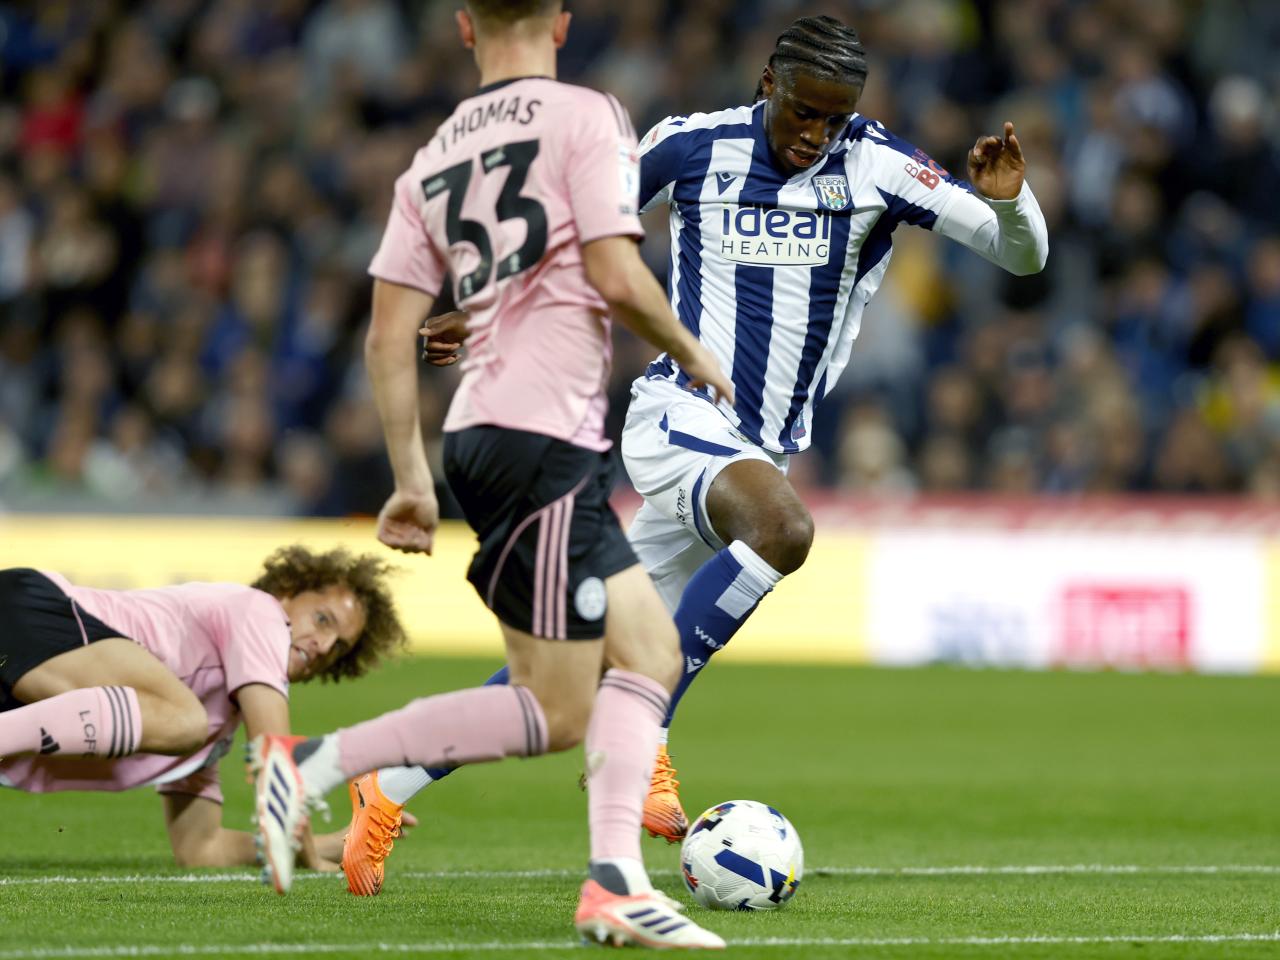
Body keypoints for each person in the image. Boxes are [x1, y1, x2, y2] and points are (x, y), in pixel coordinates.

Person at [346, 10, 1051, 885]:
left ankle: (386, 783)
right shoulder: (691, 145)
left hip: (754, 453)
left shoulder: (878, 165)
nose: (815, 134)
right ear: (769, 84)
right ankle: (644, 733)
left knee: (570, 664)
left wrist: (1011, 200)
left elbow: (1021, 257)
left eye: (833, 118)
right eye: (803, 112)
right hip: (678, 419)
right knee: (783, 530)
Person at [247, 0, 733, 949]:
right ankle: (312, 763)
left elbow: (389, 334)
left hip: (488, 434)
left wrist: (411, 477)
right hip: (540, 436)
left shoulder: (434, 157)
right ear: (562, 22)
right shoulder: (589, 115)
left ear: (465, 28)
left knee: (648, 653)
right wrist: (689, 349)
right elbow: (615, 273)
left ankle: (613, 885)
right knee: (554, 708)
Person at [0, 545, 407, 871]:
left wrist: (334, 843)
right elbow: (274, 757)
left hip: (21, 665)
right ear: (287, 591)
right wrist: (309, 857)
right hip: (28, 610)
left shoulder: (214, 726)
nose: (323, 645)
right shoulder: (260, 612)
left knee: (185, 721)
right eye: (322, 619)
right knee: (184, 719)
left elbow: (201, 849)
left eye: (339, 648)